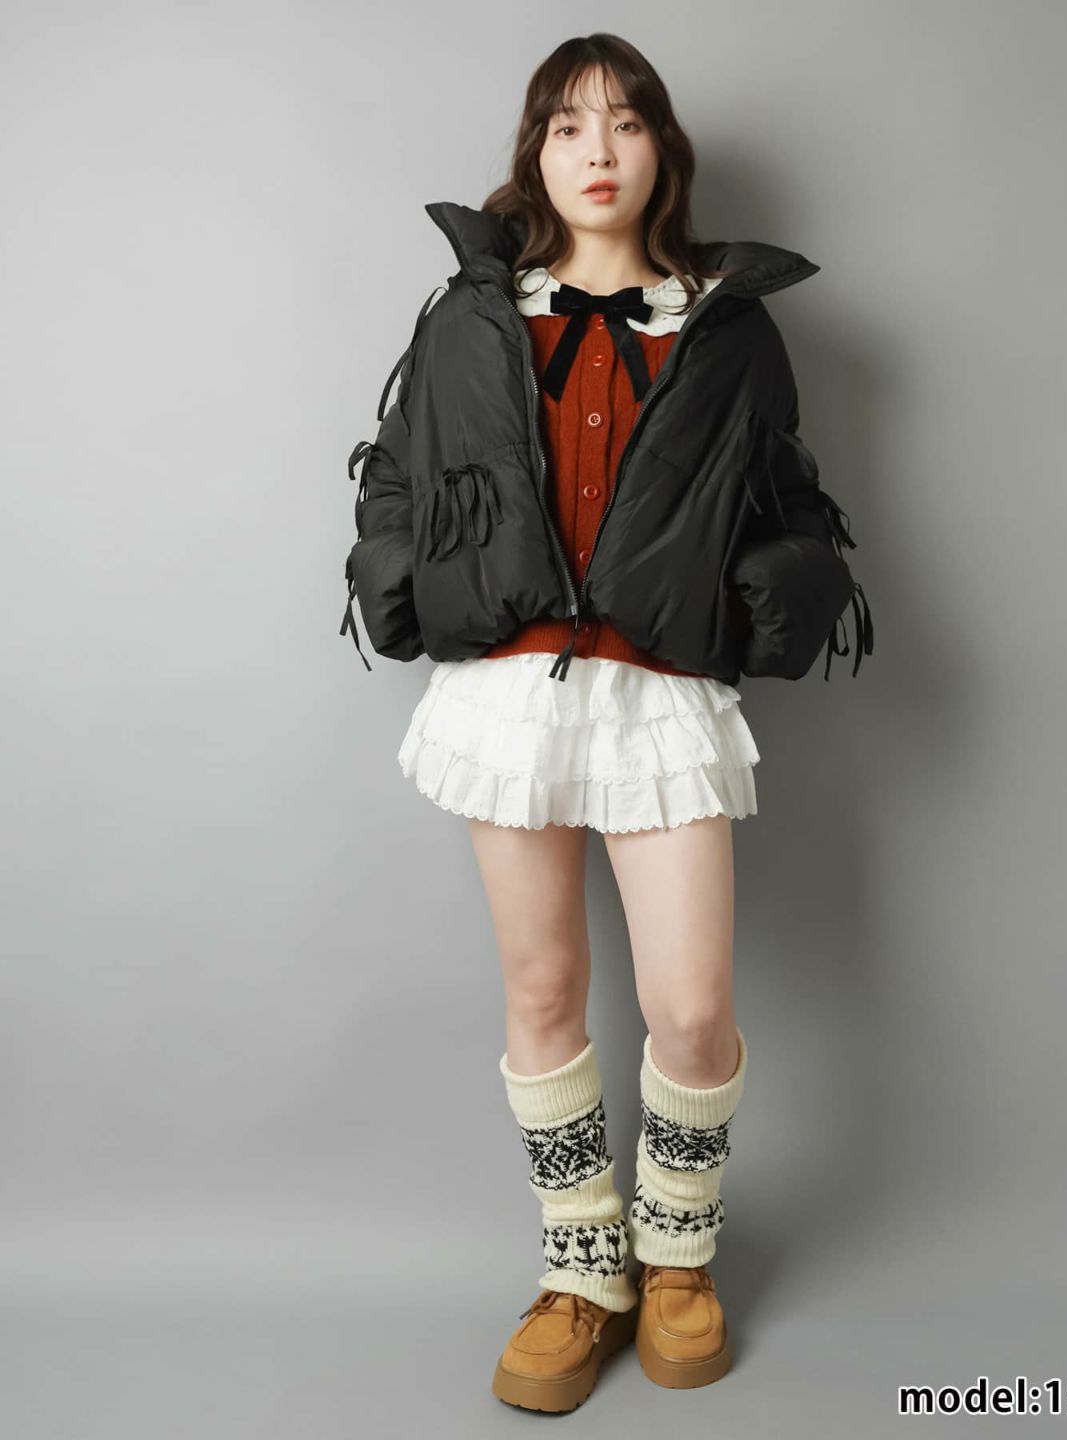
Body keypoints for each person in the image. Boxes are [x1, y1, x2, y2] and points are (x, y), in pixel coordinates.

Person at [339, 32, 873, 1414]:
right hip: (508, 690)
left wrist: (773, 591)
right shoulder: (471, 314)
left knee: (690, 1008)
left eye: (626, 123)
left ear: (661, 154)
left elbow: (787, 497)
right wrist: (400, 575)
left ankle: (677, 1253)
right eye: (568, 125)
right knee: (543, 994)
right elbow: (398, 469)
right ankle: (583, 1270)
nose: (597, 149)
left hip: (660, 694)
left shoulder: (725, 327)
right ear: (536, 154)